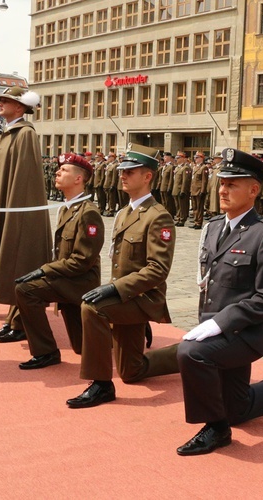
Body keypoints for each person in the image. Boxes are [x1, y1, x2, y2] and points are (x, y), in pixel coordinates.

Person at [175, 148, 263, 456]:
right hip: (217, 329)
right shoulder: (212, 227)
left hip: (249, 332)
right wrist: (209, 323)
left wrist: (219, 323)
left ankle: (216, 428)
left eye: (232, 184)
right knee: (237, 409)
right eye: (222, 182)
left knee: (190, 354)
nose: (223, 190)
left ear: (253, 190)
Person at [66, 145, 178, 409]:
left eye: (131, 171)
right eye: (122, 171)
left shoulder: (158, 217)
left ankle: (101, 384)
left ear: (148, 176)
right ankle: (185, 354)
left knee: (92, 309)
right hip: (124, 296)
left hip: (142, 298)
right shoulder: (124, 213)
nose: (123, 176)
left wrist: (114, 290)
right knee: (132, 371)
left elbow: (157, 270)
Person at [14, 153, 105, 369]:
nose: (57, 172)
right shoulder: (68, 208)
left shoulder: (88, 213)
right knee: (83, 346)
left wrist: (45, 270)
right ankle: (117, 327)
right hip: (68, 279)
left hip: (80, 282)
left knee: (26, 290)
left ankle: (46, 352)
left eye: (64, 170)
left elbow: (81, 261)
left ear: (78, 179)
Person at [0, 86, 52, 342]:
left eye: (5, 101)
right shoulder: (6, 133)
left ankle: (20, 324)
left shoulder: (25, 135)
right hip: (5, 208)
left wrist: (14, 212)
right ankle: (13, 320)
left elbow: (24, 180)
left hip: (18, 211)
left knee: (20, 264)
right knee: (9, 266)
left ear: (19, 107)